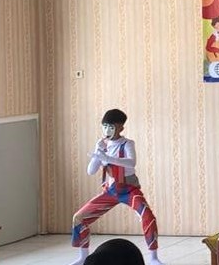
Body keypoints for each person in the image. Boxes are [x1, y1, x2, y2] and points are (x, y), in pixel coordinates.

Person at [69, 109, 163, 265]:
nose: (107, 130)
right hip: (110, 191)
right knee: (79, 218)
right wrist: (98, 152)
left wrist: (107, 157)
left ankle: (154, 257)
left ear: (121, 128)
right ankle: (83, 256)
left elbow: (131, 162)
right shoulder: (103, 145)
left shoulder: (127, 144)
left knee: (148, 216)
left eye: (111, 127)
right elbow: (91, 171)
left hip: (129, 190)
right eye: (105, 126)